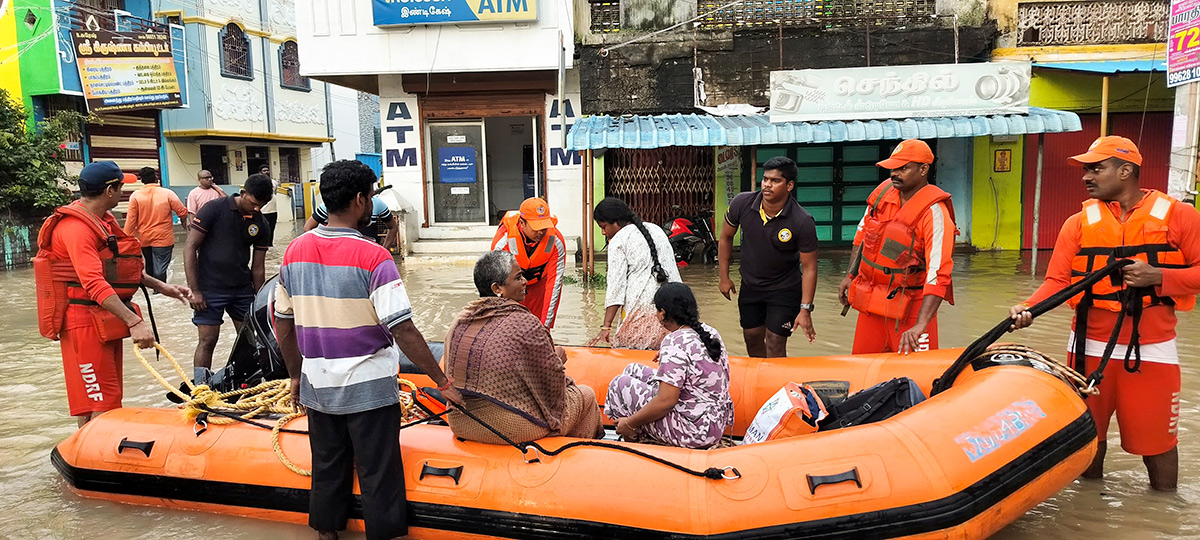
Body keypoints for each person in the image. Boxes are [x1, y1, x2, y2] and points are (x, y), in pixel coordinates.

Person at [275, 160, 460, 540]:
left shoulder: (294, 251)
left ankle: (327, 533)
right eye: (372, 196)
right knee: (379, 470)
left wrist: (295, 375)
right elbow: (403, 329)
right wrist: (441, 380)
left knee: (327, 465)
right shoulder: (374, 256)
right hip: (370, 388)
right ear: (360, 200)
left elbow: (283, 324)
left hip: (318, 383)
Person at [1008, 135, 1200, 492]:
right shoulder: (1077, 223)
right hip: (1084, 352)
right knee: (1087, 439)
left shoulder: (1180, 216)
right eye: (1086, 170)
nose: (1086, 177)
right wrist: (1028, 308)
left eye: (1096, 168)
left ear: (1126, 170)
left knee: (1156, 445)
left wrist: (1159, 276)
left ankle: (1162, 512)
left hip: (1152, 352)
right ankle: (1089, 508)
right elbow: (1057, 281)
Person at [33, 161, 191, 427]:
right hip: (82, 323)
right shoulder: (77, 228)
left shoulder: (103, 220)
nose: (123, 193)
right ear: (109, 190)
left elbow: (119, 268)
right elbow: (93, 282)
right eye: (121, 187)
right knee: (99, 402)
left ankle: (89, 454)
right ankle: (89, 459)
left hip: (103, 317)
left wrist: (163, 287)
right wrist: (135, 321)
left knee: (104, 398)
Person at [443, 250, 603, 444]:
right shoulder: (524, 323)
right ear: (497, 288)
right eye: (518, 277)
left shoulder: (459, 320)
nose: (525, 281)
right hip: (506, 428)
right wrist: (558, 360)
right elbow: (552, 385)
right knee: (585, 395)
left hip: (459, 421)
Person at [839, 139, 957, 355]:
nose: (894, 173)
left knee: (916, 377)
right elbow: (862, 235)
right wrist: (850, 275)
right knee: (862, 369)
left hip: (912, 307)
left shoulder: (934, 213)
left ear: (923, 169)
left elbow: (938, 273)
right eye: (893, 167)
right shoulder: (882, 196)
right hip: (873, 300)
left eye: (903, 168)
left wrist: (921, 325)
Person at [604, 282, 734, 448]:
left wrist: (630, 422)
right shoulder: (710, 332)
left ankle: (634, 439)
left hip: (694, 431)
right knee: (632, 370)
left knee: (618, 385)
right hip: (714, 423)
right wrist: (668, 354)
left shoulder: (673, 341)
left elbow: (666, 401)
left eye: (657, 311)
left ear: (663, 313)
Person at [718, 156, 819, 358]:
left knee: (775, 341)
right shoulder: (742, 203)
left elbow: (809, 268)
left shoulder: (802, 221)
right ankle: (759, 384)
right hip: (751, 287)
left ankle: (778, 387)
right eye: (765, 179)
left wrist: (805, 309)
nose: (767, 185)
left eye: (775, 181)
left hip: (784, 289)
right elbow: (725, 237)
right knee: (752, 337)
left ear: (789, 185)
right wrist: (724, 277)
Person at [184, 173, 273, 386]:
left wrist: (259, 300)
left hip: (242, 290)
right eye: (253, 203)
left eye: (262, 205)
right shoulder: (214, 209)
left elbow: (258, 267)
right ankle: (200, 389)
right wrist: (194, 291)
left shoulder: (261, 223)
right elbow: (190, 247)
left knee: (253, 343)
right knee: (207, 340)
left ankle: (244, 386)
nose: (256, 209)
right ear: (243, 193)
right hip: (209, 288)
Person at [588, 197, 681, 349]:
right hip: (675, 312)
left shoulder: (618, 241)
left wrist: (606, 326)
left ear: (616, 222)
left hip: (641, 315)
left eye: (604, 226)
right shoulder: (656, 229)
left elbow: (616, 287)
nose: (603, 232)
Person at [490, 197, 567, 328]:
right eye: (536, 227)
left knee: (537, 327)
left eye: (544, 226)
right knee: (508, 327)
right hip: (511, 288)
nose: (541, 231)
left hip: (539, 287)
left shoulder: (556, 242)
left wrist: (546, 326)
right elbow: (495, 284)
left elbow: (554, 285)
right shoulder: (503, 242)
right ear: (522, 223)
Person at [122, 166, 188, 282]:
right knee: (161, 265)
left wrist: (127, 238)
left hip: (144, 237)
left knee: (149, 263)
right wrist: (184, 223)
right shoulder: (167, 193)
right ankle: (160, 288)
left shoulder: (136, 196)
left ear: (142, 180)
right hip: (163, 237)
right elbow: (182, 212)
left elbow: (131, 220)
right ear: (156, 178)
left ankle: (154, 287)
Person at [304, 196, 398, 250]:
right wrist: (322, 251)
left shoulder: (376, 203)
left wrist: (384, 250)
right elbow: (308, 227)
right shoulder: (330, 205)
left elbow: (393, 227)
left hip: (368, 257)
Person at [257, 165, 280, 240]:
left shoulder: (274, 183)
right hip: (263, 211)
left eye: (267, 170)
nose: (266, 172)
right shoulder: (258, 183)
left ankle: (270, 245)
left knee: (272, 229)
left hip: (273, 210)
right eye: (264, 171)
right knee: (263, 230)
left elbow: (275, 193)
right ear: (260, 172)